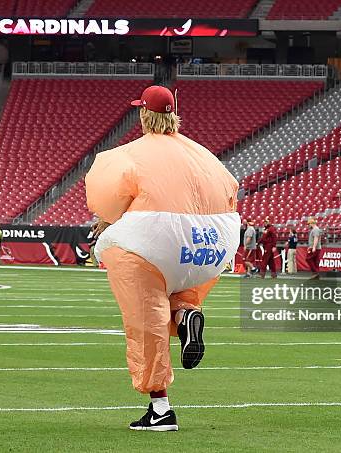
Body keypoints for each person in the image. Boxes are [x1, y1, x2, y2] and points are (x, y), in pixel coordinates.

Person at [85, 85, 240, 432]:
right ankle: (186, 313)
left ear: (143, 114)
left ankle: (160, 408)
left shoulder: (128, 153)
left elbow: (104, 195)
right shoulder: (205, 156)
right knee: (182, 286)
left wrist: (108, 221)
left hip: (156, 239)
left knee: (145, 314)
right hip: (214, 242)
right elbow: (232, 192)